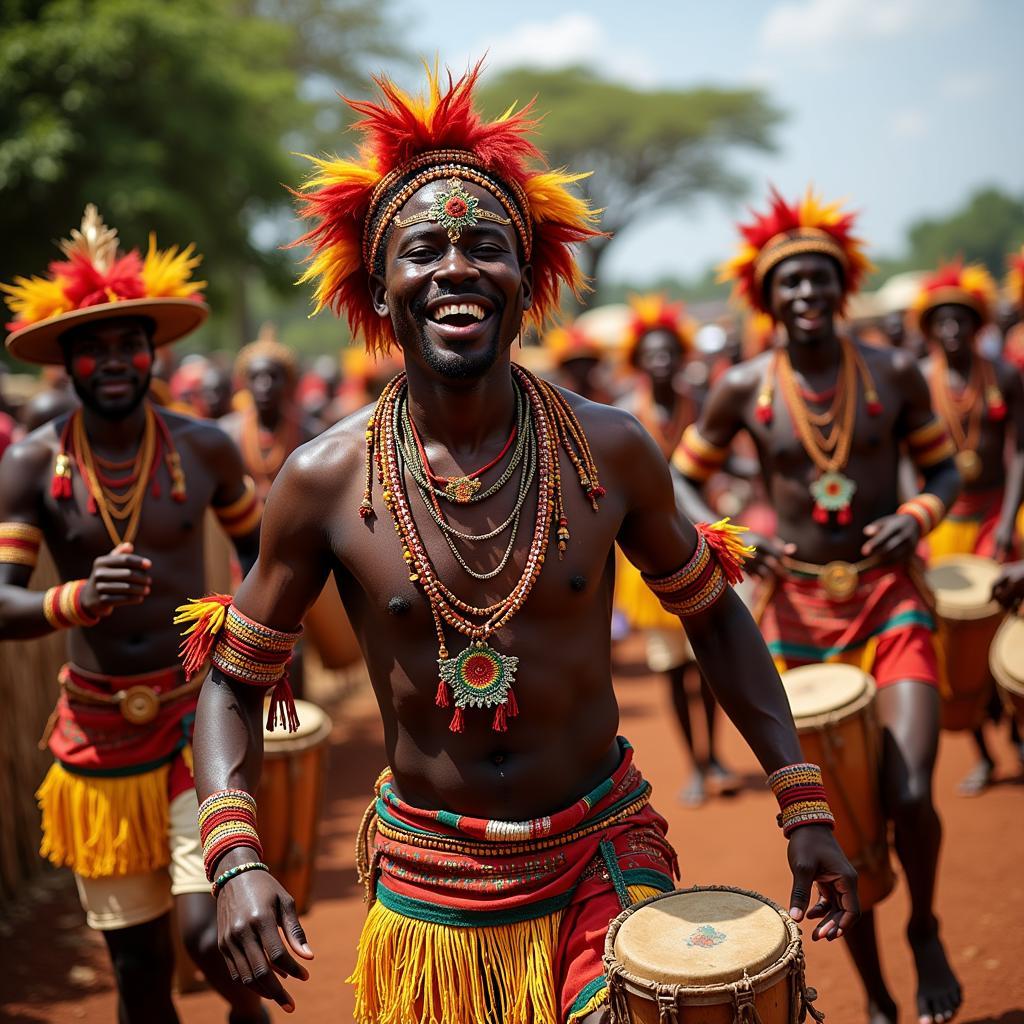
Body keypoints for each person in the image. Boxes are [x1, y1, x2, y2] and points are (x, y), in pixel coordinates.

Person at [180, 66, 857, 1024]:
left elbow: (713, 618)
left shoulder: (609, 449)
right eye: (424, 250)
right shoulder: (324, 480)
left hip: (602, 848)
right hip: (431, 881)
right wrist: (235, 854)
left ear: (527, 278)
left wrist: (801, 797)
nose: (456, 267)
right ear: (380, 285)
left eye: (485, 245)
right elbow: (233, 678)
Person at [676, 187, 963, 1024]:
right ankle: (873, 994)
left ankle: (928, 924)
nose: (805, 294)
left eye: (819, 279)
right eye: (789, 284)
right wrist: (731, 531)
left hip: (887, 601)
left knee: (907, 792)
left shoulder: (894, 372)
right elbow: (683, 471)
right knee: (843, 819)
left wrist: (919, 515)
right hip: (795, 619)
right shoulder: (741, 387)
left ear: (844, 288)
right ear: (767, 300)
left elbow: (942, 469)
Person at [0, 206, 264, 1024]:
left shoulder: (205, 448)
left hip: (199, 718)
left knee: (207, 933)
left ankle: (246, 1012)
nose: (114, 362)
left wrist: (246, 630)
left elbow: (265, 558)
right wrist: (71, 598)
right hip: (98, 735)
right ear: (67, 361)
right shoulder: (31, 462)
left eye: (129, 345)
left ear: (154, 353)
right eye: (93, 348)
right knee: (139, 972)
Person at [613, 295, 737, 805]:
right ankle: (693, 764)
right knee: (671, 668)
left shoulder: (701, 405)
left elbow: (724, 460)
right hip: (646, 558)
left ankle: (715, 757)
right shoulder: (624, 414)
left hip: (702, 543)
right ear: (639, 362)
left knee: (707, 660)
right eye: (652, 355)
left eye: (668, 354)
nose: (661, 362)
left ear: (680, 358)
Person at [913, 261, 1024, 795]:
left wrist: (1007, 523)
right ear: (929, 329)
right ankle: (982, 749)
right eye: (942, 321)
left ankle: (1018, 737)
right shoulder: (917, 380)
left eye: (960, 319)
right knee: (959, 642)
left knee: (1010, 627)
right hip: (943, 523)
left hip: (999, 516)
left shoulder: (1002, 374)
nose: (951, 329)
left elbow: (1020, 452)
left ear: (976, 323)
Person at [220, 324, 321, 502]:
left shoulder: (310, 432)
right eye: (255, 378)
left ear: (287, 382)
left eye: (273, 377)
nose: (264, 385)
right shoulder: (227, 432)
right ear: (245, 383)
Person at [543, 319, 615, 405]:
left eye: (587, 362)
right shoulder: (554, 397)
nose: (582, 367)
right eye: (575, 363)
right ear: (565, 367)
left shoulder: (604, 396)